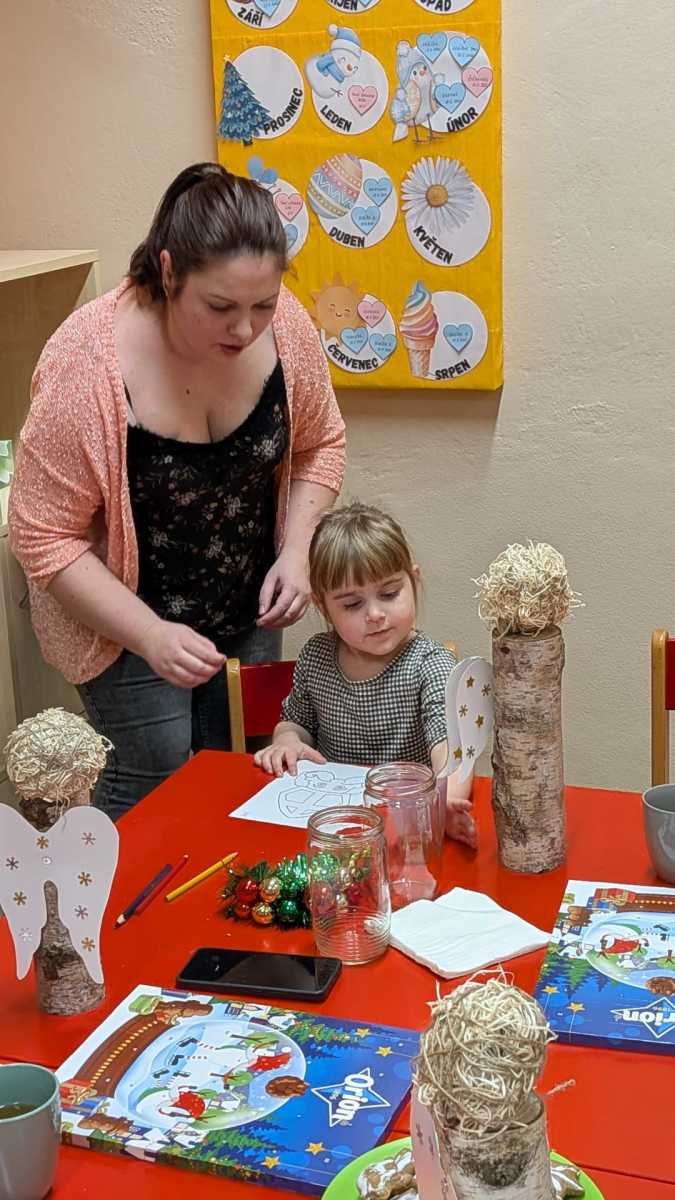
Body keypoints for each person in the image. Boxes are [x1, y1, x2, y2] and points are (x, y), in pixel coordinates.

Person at [9, 162, 345, 820]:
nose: (245, 329)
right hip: (123, 617)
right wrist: (149, 634)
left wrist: (296, 552)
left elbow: (320, 442)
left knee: (245, 767)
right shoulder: (87, 365)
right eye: (219, 308)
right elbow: (42, 536)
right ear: (168, 273)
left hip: (247, 602)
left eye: (263, 305)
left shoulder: (286, 329)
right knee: (155, 778)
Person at [255, 503, 476, 846]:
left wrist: (444, 802)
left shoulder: (430, 664)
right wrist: (287, 741)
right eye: (352, 604)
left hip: (407, 831)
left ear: (413, 580)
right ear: (323, 606)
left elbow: (451, 750)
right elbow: (296, 721)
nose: (375, 614)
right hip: (335, 833)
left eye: (389, 594)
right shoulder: (316, 657)